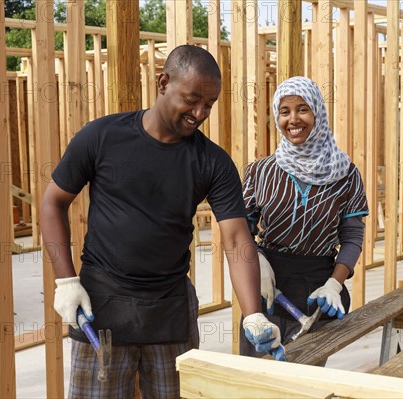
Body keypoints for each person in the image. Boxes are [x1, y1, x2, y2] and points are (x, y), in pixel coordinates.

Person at [41, 45, 283, 399]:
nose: (199, 113)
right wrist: (65, 280)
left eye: (209, 104)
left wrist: (253, 314)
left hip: (170, 312)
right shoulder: (102, 137)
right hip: (102, 308)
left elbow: (235, 239)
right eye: (192, 99)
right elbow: (52, 203)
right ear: (163, 82)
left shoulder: (212, 162)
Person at [239, 76, 368, 361]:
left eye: (302, 109)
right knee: (254, 381)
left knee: (303, 384)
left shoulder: (346, 174)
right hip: (266, 287)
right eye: (284, 111)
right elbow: (240, 231)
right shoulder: (260, 172)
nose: (293, 119)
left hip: (316, 291)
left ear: (318, 113)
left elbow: (352, 236)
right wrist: (255, 260)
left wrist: (335, 283)